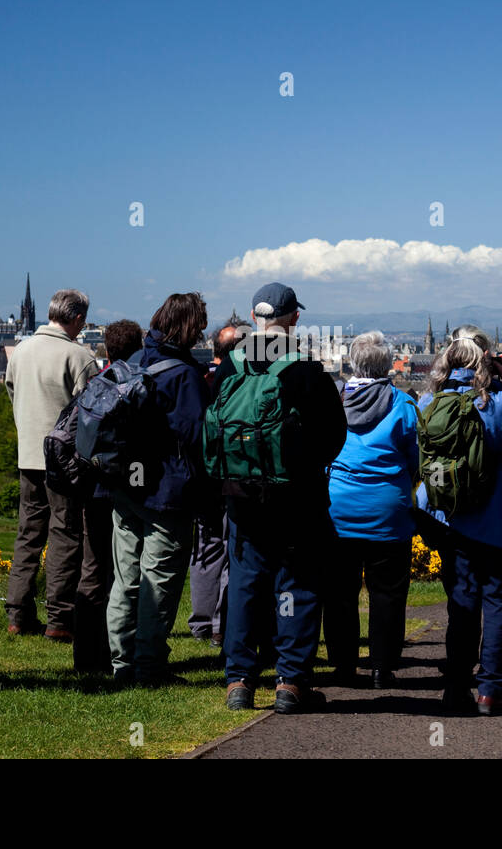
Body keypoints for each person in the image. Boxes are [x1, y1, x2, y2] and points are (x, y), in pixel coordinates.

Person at [210, 282, 346, 714]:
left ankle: (239, 680)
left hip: (241, 495)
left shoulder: (229, 366)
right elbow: (334, 436)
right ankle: (290, 682)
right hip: (297, 498)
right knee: (298, 584)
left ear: (254, 318)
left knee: (246, 583)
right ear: (294, 320)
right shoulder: (306, 369)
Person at [415, 325, 502, 715]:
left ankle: (455, 688)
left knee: (461, 604)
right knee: (499, 602)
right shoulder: (500, 403)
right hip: (498, 522)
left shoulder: (429, 403)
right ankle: (490, 691)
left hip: (449, 520)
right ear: (485, 364)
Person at [106, 293, 211, 686]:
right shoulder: (184, 375)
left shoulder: (133, 362)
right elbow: (197, 436)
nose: (202, 333)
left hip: (127, 485)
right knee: (159, 581)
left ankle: (122, 662)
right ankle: (149, 666)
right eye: (199, 325)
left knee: (126, 578)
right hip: (167, 489)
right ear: (187, 327)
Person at [323, 331, 420, 689]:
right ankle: (382, 665)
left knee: (339, 594)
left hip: (338, 511)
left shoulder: (332, 401)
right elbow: (415, 460)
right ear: (387, 364)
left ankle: (343, 666)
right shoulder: (402, 404)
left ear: (352, 362)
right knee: (388, 593)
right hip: (387, 513)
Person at [4, 289, 98, 641]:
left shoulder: (22, 349)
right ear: (76, 318)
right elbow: (90, 414)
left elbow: (11, 391)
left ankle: (18, 613)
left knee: (28, 534)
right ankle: (59, 618)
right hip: (65, 462)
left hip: (28, 453)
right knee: (65, 535)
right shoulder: (79, 356)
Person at [74, 319, 143, 674]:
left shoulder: (93, 384)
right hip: (121, 486)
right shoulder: (135, 384)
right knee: (121, 571)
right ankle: (118, 651)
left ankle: (86, 652)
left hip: (90, 483)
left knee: (93, 567)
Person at [187, 319, 247, 647]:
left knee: (206, 549)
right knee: (232, 547)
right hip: (235, 471)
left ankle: (201, 622)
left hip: (202, 471)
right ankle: (220, 623)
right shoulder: (243, 378)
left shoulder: (199, 378)